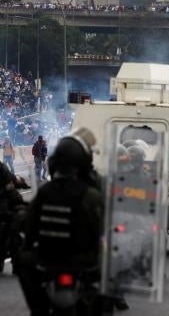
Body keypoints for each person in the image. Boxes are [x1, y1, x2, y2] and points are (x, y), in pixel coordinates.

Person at [17, 127, 105, 316]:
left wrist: (26, 242)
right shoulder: (92, 196)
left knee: (22, 260)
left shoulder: (44, 192)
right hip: (82, 262)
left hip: (48, 258)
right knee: (107, 266)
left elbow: (30, 229)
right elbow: (101, 231)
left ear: (54, 163)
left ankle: (38, 308)